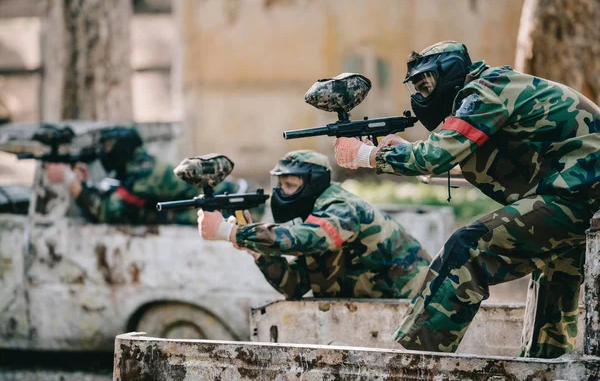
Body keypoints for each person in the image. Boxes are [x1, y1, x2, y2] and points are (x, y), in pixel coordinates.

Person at [332, 40, 600, 358]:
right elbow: (475, 159)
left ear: (451, 73)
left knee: (467, 249)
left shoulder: (484, 90)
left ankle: (417, 364)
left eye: (426, 83)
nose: (421, 95)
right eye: (415, 86)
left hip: (578, 194)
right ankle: (547, 369)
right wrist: (405, 156)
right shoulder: (497, 87)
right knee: (554, 283)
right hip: (584, 194)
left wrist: (368, 155)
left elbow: (439, 155)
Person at [197, 149, 431, 300]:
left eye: (289, 184)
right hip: (386, 313)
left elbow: (305, 239)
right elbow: (294, 285)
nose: (281, 192)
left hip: (422, 307)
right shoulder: (316, 218)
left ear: (313, 184)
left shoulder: (341, 208)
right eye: (279, 184)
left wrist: (230, 231)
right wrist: (255, 250)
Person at [45, 126, 260, 225]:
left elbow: (107, 212)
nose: (103, 154)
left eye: (108, 148)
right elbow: (116, 194)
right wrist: (85, 184)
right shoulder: (139, 166)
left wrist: (68, 180)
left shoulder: (145, 175)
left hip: (240, 211)